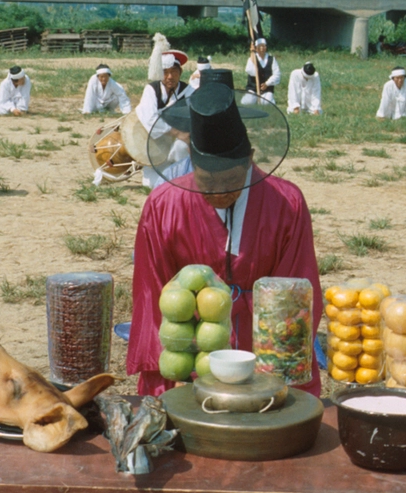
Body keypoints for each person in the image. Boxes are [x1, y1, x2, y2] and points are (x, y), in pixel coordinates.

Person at [128, 72, 322, 398]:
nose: (219, 193)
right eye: (207, 182)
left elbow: (296, 290)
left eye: (230, 180)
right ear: (191, 162)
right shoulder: (163, 207)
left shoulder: (286, 204)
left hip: (265, 354)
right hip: (191, 356)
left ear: (249, 159)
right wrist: (175, 368)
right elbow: (152, 294)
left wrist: (276, 371)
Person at [135, 51, 191, 187]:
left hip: (180, 144)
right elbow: (150, 119)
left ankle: (182, 175)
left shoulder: (189, 91)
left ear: (181, 72)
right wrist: (177, 132)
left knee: (182, 149)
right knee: (153, 184)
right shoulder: (151, 90)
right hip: (155, 144)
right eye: (165, 72)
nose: (170, 77)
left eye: (174, 72)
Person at [242, 37, 279, 105]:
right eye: (259, 46)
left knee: (266, 103)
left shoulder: (272, 59)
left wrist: (267, 84)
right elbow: (251, 71)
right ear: (256, 48)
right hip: (253, 88)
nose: (262, 48)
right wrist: (252, 53)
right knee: (247, 103)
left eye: (263, 46)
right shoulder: (252, 58)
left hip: (266, 89)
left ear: (266, 47)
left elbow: (277, 75)